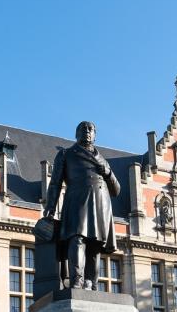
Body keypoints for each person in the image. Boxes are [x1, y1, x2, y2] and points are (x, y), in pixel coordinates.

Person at [39, 120, 121, 290]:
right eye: (83, 129)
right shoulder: (66, 154)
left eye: (91, 129)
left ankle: (92, 282)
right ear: (76, 134)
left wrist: (108, 172)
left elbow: (116, 190)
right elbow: (55, 183)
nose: (87, 131)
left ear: (95, 135)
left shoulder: (103, 160)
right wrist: (51, 206)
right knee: (77, 238)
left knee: (95, 244)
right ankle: (77, 279)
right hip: (77, 200)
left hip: (100, 202)